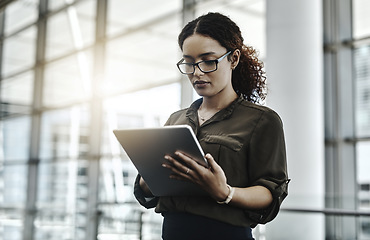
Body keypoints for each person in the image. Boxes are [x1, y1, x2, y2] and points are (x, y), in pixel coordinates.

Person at [134, 12, 289, 240]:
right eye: (189, 63)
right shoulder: (176, 120)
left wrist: (225, 192)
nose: (197, 72)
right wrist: (149, 179)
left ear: (233, 59)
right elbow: (148, 190)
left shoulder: (261, 120)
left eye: (208, 61)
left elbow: (270, 192)